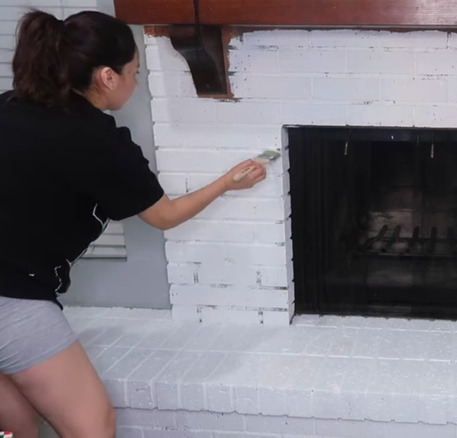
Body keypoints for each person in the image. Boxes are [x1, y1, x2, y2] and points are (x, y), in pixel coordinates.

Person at [0, 10, 267, 438]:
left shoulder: (9, 105)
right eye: (134, 72)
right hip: (10, 296)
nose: (136, 83)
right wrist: (226, 184)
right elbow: (164, 216)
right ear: (107, 76)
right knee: (93, 424)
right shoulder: (96, 140)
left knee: (14, 425)